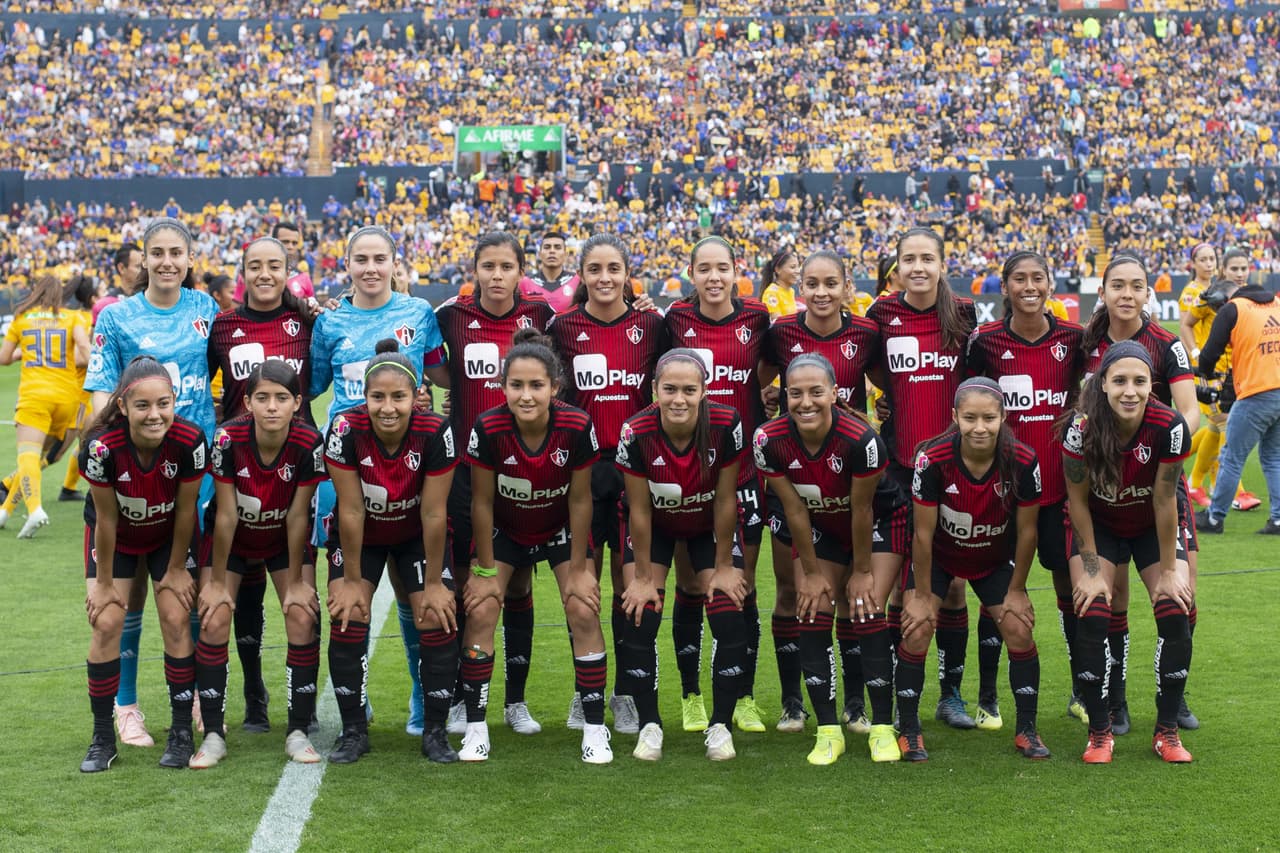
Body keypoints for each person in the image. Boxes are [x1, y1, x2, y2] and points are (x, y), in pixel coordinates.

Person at [84, 217, 219, 751]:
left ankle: (196, 699)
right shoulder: (117, 317)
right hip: (132, 473)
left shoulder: (206, 309)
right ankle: (126, 707)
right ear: (143, 258)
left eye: (175, 253)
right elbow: (102, 391)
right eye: (156, 252)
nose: (166, 261)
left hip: (193, 473)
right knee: (128, 596)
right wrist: (109, 453)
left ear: (190, 259)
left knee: (184, 594)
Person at [310, 225, 448, 738]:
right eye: (361, 259)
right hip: (346, 465)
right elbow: (309, 386)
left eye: (379, 259)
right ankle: (356, 704)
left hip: (409, 462)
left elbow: (443, 376)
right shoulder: (330, 322)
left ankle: (422, 700)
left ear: (395, 263)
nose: (370, 268)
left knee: (416, 600)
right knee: (349, 595)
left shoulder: (419, 313)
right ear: (347, 264)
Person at [459, 329, 610, 764]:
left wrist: (579, 569)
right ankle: (475, 728)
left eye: (536, 385)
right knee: (482, 609)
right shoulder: (489, 426)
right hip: (506, 528)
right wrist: (484, 570)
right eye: (516, 385)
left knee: (583, 607)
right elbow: (481, 502)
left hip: (558, 526)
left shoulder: (576, 425)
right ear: (502, 387)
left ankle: (595, 729)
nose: (526, 395)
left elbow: (580, 500)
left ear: (555, 387)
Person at [754, 353, 908, 764]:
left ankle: (881, 728)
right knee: (813, 609)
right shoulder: (767, 439)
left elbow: (862, 509)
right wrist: (810, 572)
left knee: (866, 608)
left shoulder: (861, 439)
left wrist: (862, 572)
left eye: (816, 392)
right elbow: (794, 509)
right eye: (795, 393)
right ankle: (827, 731)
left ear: (835, 393)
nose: (805, 402)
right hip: (822, 524)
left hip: (879, 521)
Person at [434, 232, 554, 736]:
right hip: (467, 469)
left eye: (507, 266)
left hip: (525, 470)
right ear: (475, 271)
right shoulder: (450, 316)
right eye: (488, 266)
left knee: (520, 583)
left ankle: (516, 701)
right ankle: (465, 697)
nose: (497, 275)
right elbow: (436, 368)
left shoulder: (541, 315)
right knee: (472, 583)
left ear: (521, 271)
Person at [547, 233, 667, 734]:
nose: (604, 278)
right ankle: (586, 692)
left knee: (630, 585)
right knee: (583, 587)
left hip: (635, 471)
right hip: (581, 473)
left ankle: (625, 693)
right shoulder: (563, 327)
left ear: (627, 274)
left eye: (613, 269)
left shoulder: (652, 325)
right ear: (581, 275)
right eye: (594, 269)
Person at [761, 251, 885, 735]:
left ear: (846, 285)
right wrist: (769, 400)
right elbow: (757, 381)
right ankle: (793, 701)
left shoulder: (866, 333)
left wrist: (885, 413)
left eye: (831, 283)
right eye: (811, 283)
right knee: (792, 590)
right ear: (800, 288)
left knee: (850, 596)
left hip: (846, 474)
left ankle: (853, 703)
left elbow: (889, 384)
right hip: (792, 470)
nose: (821, 292)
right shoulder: (781, 332)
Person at [899, 377, 1048, 763]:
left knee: (1018, 628)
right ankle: (909, 729)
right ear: (955, 417)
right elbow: (922, 534)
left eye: (988, 418)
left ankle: (1027, 730)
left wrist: (1017, 590)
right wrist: (920, 596)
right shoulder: (932, 459)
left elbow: (1028, 532)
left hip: (992, 561)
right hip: (940, 558)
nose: (979, 427)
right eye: (969, 418)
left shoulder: (1024, 460)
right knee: (916, 629)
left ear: (1003, 417)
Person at [1081, 251, 1200, 734]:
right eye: (1118, 285)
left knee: (1182, 593)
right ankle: (1115, 698)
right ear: (1103, 292)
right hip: (1105, 489)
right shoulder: (1085, 343)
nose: (1127, 295)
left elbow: (1190, 411)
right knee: (1113, 598)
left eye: (1136, 286)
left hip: (1160, 483)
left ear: (1148, 293)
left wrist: (1162, 447)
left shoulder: (1166, 344)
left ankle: (1174, 692)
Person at [323, 340, 458, 764]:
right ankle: (353, 731)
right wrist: (349, 581)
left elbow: (434, 513)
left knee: (435, 614)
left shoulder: (435, 430)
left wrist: (434, 583)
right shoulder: (345, 429)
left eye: (398, 397)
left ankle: (435, 731)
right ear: (364, 397)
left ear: (416, 396)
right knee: (349, 613)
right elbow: (351, 509)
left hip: (415, 533)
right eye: (377, 397)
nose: (387, 407)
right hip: (361, 534)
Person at [965, 251, 1084, 728]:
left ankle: (1081, 690)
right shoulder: (985, 342)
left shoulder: (1073, 339)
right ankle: (987, 698)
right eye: (1019, 278)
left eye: (1038, 278)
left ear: (1051, 284)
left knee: (1069, 589)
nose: (1029, 286)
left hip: (1058, 492)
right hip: (1002, 494)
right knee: (995, 594)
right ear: (1006, 287)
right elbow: (967, 404)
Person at [1061, 341, 1195, 764]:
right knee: (1093, 609)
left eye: (1139, 381)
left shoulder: (1170, 426)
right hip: (1099, 526)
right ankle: (1100, 733)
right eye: (1119, 381)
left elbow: (1165, 500)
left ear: (1152, 385)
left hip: (1151, 524)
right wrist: (1091, 570)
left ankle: (1167, 731)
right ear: (1103, 383)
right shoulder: (1080, 429)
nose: (1129, 391)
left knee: (1175, 608)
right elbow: (1077, 502)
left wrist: (1170, 571)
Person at [867, 227, 978, 731]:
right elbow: (873, 369)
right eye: (908, 259)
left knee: (951, 588)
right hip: (897, 466)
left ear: (941, 264)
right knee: (898, 588)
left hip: (953, 468)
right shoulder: (881, 315)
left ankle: (950, 693)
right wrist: (893, 397)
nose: (918, 267)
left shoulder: (963, 315)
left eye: (927, 258)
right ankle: (899, 684)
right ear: (897, 267)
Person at [191, 361, 325, 767]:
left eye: (281, 398)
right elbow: (226, 515)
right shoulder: (228, 438)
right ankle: (213, 736)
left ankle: (298, 731)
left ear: (297, 403)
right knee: (214, 616)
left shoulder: (308, 441)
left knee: (302, 614)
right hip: (231, 540)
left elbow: (299, 516)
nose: (271, 406)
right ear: (247, 402)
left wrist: (298, 581)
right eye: (262, 397)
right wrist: (216, 582)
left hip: (283, 538)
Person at [616, 349, 747, 761]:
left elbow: (725, 499)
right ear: (654, 389)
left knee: (728, 608)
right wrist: (641, 578)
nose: (679, 399)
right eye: (669, 389)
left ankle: (720, 726)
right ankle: (650, 725)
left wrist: (724, 567)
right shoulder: (635, 431)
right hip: (654, 527)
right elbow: (639, 509)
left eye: (689, 390)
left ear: (704, 391)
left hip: (707, 525)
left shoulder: (726, 423)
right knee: (640, 610)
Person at [78, 356, 208, 772]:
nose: (155, 415)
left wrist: (176, 569)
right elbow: (106, 519)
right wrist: (102, 583)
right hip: (116, 537)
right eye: (143, 406)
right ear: (122, 406)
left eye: (163, 404)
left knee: (175, 616)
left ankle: (181, 732)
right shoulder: (101, 448)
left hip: (168, 535)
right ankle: (103, 737)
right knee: (107, 622)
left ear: (174, 402)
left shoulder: (190, 440)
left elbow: (186, 511)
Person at [663, 236, 771, 735]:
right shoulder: (675, 320)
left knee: (740, 587)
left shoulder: (757, 319)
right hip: (689, 478)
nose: (713, 277)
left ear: (735, 271)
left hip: (743, 475)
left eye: (721, 268)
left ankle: (743, 696)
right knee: (690, 586)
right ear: (691, 273)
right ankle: (691, 695)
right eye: (703, 268)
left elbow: (773, 370)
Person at [0, 274, 92, 537]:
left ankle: (35, 510)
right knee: (37, 459)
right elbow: (85, 352)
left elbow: (4, 358)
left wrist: (26, 351)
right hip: (67, 400)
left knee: (28, 455)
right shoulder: (72, 317)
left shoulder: (21, 318)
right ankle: (5, 511)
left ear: (35, 292)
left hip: (35, 396)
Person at [1195, 262, 1280, 536]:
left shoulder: (1232, 308)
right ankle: (1278, 519)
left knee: (1231, 457)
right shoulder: (1276, 303)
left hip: (1257, 392)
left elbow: (1210, 353)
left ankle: (1214, 518)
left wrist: (1204, 374)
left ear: (1222, 299)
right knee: (1274, 457)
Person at [1180, 247, 1257, 510]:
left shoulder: (1245, 296)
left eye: (1243, 268)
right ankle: (1235, 491)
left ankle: (1189, 477)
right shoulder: (1202, 294)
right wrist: (1195, 354)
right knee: (1226, 426)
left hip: (1235, 373)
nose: (1239, 273)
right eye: (1234, 268)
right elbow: (1186, 324)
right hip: (1210, 373)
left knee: (1214, 429)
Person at [527, 230, 578, 311]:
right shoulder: (525, 283)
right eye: (547, 247)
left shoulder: (578, 281)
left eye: (557, 247)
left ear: (565, 255)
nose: (552, 251)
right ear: (539, 254)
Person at [759, 248, 801, 321]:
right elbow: (778, 324)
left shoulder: (791, 291)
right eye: (793, 267)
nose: (798, 271)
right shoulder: (771, 293)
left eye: (798, 267)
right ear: (778, 269)